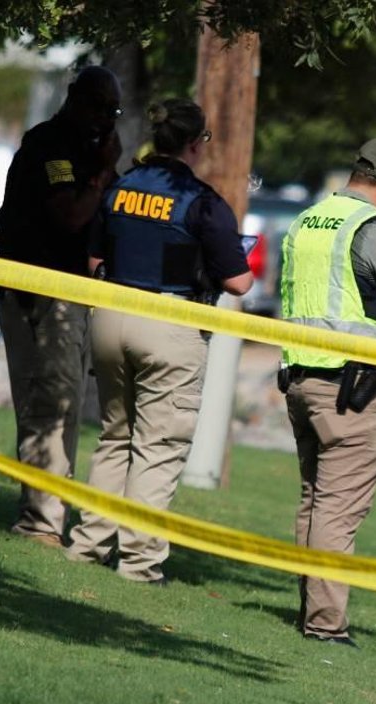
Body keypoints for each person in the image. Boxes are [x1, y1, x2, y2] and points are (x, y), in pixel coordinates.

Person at [65, 99, 251, 584]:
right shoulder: (202, 201)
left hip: (110, 317)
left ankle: (88, 544)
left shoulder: (121, 187)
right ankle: (140, 562)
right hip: (169, 324)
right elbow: (239, 283)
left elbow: (93, 262)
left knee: (115, 437)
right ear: (195, 144)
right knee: (158, 445)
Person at [280, 137, 376, 648]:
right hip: (351, 390)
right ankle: (325, 624)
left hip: (301, 379)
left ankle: (310, 608)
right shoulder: (372, 230)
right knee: (338, 509)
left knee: (314, 500)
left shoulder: (308, 220)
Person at [0, 66, 123, 547]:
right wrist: (104, 173)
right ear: (75, 98)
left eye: (113, 112)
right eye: (101, 107)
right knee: (49, 402)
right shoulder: (51, 144)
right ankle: (40, 522)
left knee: (57, 402)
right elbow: (69, 215)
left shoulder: (89, 150)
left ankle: (46, 515)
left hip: (67, 291)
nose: (106, 119)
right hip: (38, 290)